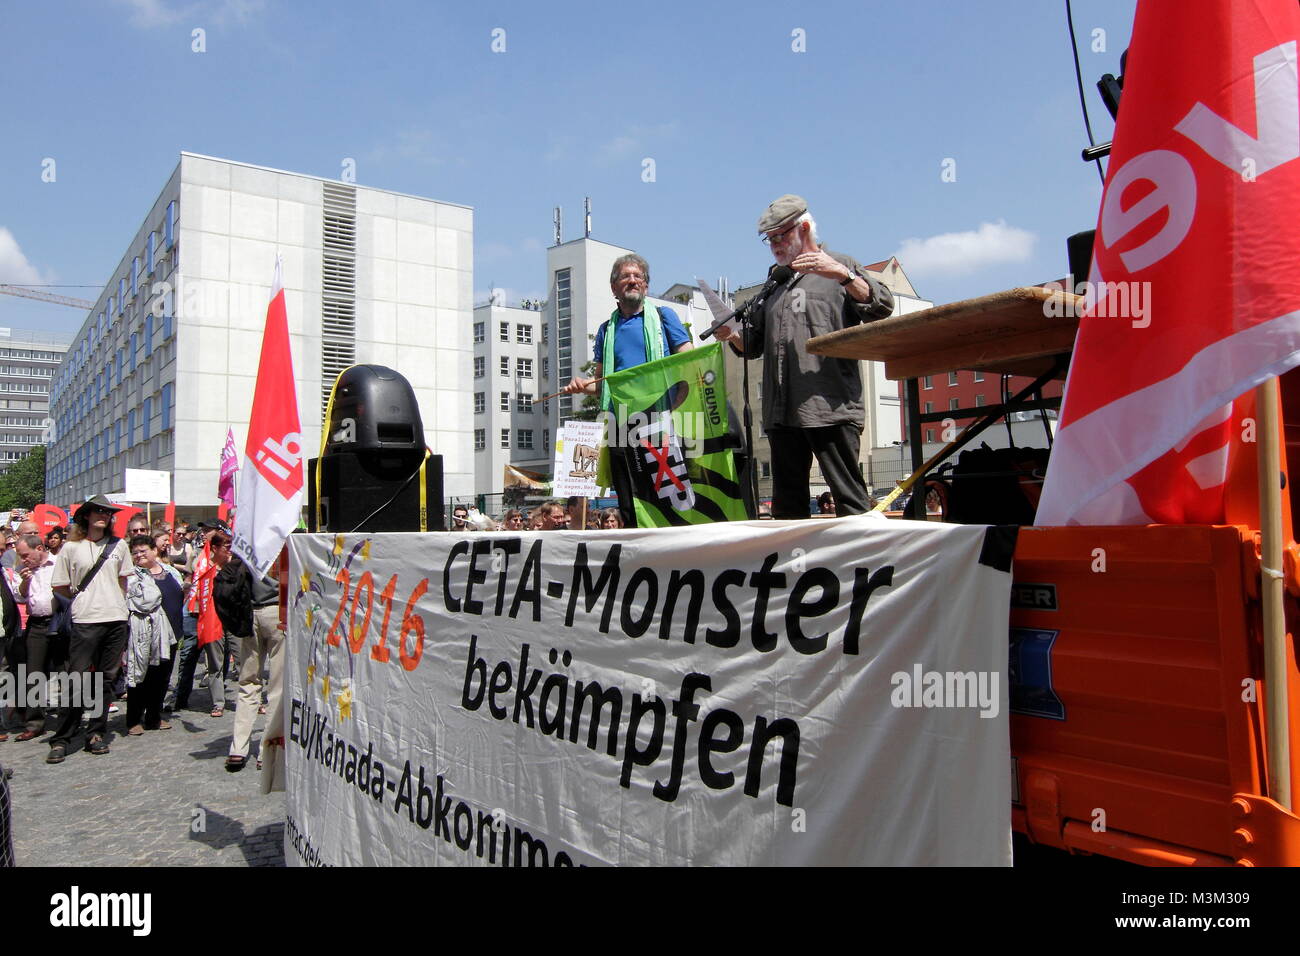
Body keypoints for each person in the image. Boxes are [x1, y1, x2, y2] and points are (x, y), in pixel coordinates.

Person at [716, 195, 895, 519]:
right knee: (787, 510)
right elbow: (752, 345)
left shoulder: (840, 264)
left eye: (781, 235)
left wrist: (844, 275)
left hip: (831, 405)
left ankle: (860, 566)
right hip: (781, 412)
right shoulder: (775, 282)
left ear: (806, 228)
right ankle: (794, 569)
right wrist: (731, 334)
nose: (775, 245)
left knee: (850, 501)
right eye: (770, 239)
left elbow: (881, 306)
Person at [561, 254, 693, 527]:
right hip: (619, 423)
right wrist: (581, 386)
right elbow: (600, 385)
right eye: (626, 276)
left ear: (645, 285)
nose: (633, 280)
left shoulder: (664, 317)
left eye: (638, 277)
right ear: (614, 288)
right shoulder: (606, 330)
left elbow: (689, 362)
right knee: (628, 498)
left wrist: (675, 404)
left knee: (664, 496)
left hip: (657, 422)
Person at [45, 496, 133, 763]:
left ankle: (95, 733)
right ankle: (62, 738)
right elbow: (59, 586)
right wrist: (82, 601)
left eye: (107, 512)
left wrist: (116, 605)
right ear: (86, 515)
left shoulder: (120, 545)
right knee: (77, 680)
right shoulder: (71, 548)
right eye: (98, 511)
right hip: (85, 620)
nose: (103, 515)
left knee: (104, 681)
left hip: (115, 619)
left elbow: (122, 582)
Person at [221, 548, 283, 772]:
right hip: (277, 612)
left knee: (248, 683)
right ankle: (266, 750)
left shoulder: (250, 537)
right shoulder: (282, 538)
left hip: (251, 611)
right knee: (276, 687)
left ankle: (238, 748)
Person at [124, 535, 184, 736]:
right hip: (145, 633)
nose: (139, 555)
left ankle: (154, 716)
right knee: (142, 675)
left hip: (171, 633)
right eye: (135, 552)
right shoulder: (133, 575)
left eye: (143, 550)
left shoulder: (171, 572)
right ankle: (133, 719)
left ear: (154, 550)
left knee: (162, 676)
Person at [12, 535, 57, 741]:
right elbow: (20, 597)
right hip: (36, 624)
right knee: (33, 674)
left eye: (26, 555)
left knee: (67, 670)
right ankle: (34, 723)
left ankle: (69, 718)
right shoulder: (25, 572)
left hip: (58, 622)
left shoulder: (58, 563)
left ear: (39, 548)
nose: (23, 560)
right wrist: (25, 581)